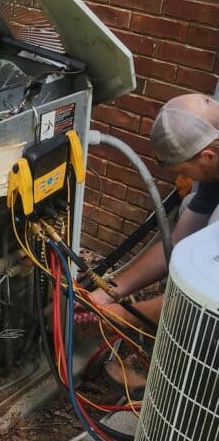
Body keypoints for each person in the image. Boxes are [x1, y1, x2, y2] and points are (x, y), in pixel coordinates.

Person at [80, 92, 219, 390]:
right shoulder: (214, 167)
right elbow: (177, 245)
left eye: (184, 171)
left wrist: (121, 316)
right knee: (192, 210)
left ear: (208, 156)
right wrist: (108, 293)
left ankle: (191, 380)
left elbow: (209, 301)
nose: (182, 179)